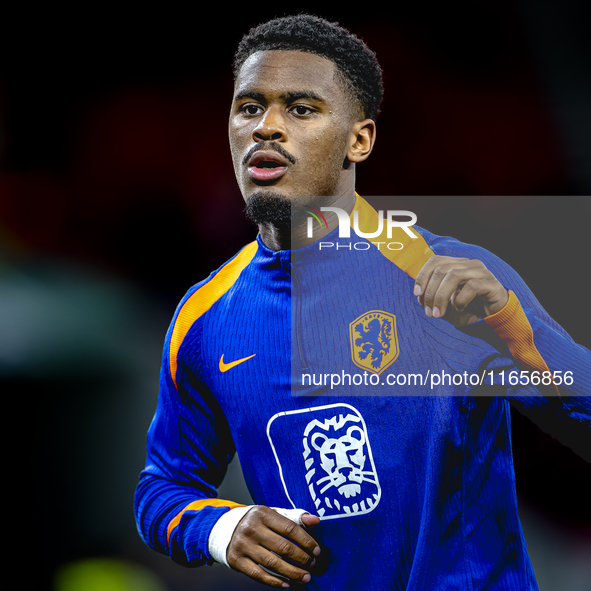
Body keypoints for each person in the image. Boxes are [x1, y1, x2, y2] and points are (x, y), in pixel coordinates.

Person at [134, 14, 590, 590]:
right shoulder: (203, 320)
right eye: (249, 108)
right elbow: (163, 488)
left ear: (360, 140)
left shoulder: (451, 278)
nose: (266, 128)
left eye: (300, 109)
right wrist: (222, 528)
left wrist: (522, 341)